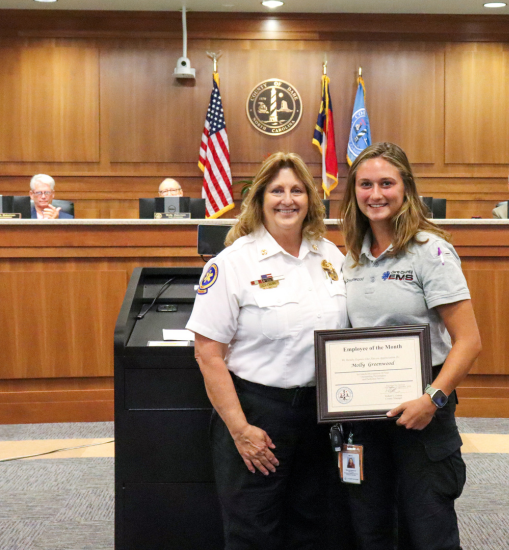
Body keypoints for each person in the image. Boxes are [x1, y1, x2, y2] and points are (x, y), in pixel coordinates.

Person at [186, 152, 348, 550]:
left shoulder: (331, 256)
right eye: (276, 190)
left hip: (321, 416)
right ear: (260, 199)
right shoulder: (232, 263)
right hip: (259, 415)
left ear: (310, 199)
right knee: (254, 533)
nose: (287, 200)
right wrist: (240, 431)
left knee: (314, 527)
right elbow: (208, 355)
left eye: (296, 190)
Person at [340, 142, 482, 550]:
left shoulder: (430, 252)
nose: (376, 194)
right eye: (365, 184)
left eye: (387, 183)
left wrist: (432, 399)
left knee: (428, 528)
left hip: (422, 408)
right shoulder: (350, 259)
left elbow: (469, 341)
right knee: (372, 526)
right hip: (365, 413)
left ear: (406, 189)